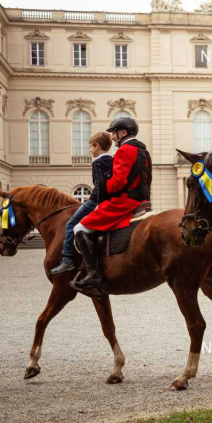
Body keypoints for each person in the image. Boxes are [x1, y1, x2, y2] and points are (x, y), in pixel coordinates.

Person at [72, 116, 152, 293]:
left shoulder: (124, 151)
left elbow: (118, 182)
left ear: (123, 132)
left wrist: (103, 184)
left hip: (124, 202)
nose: (113, 138)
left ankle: (94, 274)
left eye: (114, 133)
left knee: (79, 228)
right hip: (142, 201)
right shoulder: (143, 151)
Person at [50, 132, 113, 275]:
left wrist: (95, 201)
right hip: (108, 200)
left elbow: (100, 185)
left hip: (95, 201)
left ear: (97, 146)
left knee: (71, 224)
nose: (90, 150)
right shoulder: (113, 160)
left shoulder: (97, 162)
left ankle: (67, 259)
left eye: (90, 146)